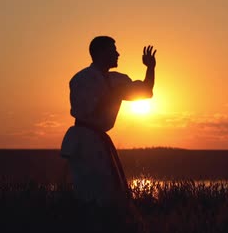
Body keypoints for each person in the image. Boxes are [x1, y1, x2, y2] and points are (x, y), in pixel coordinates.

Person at [60, 36, 156, 208]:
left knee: (110, 192)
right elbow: (88, 109)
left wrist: (150, 68)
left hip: (100, 141)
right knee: (88, 194)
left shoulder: (117, 80)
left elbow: (146, 91)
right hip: (84, 140)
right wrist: (115, 94)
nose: (118, 54)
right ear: (100, 53)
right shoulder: (82, 79)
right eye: (113, 50)